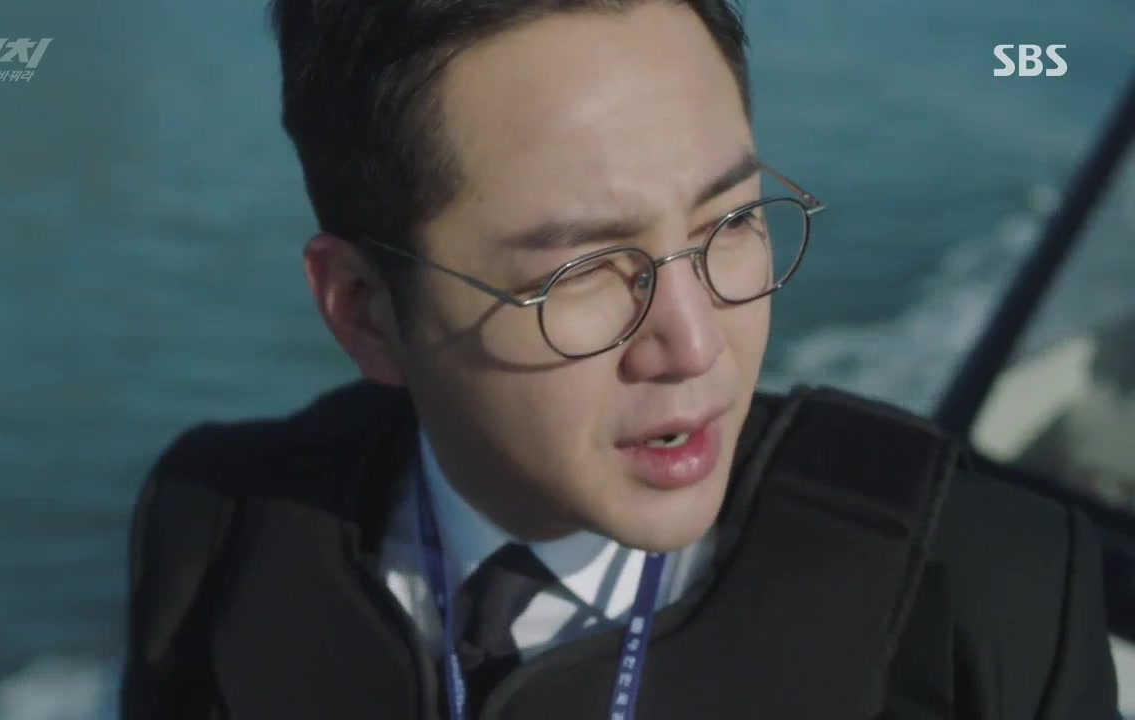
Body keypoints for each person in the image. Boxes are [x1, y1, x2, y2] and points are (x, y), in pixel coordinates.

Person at [119, 1, 1120, 718]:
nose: (695, 343)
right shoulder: (218, 530)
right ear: (365, 312)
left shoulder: (987, 591)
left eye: (730, 223)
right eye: (585, 273)